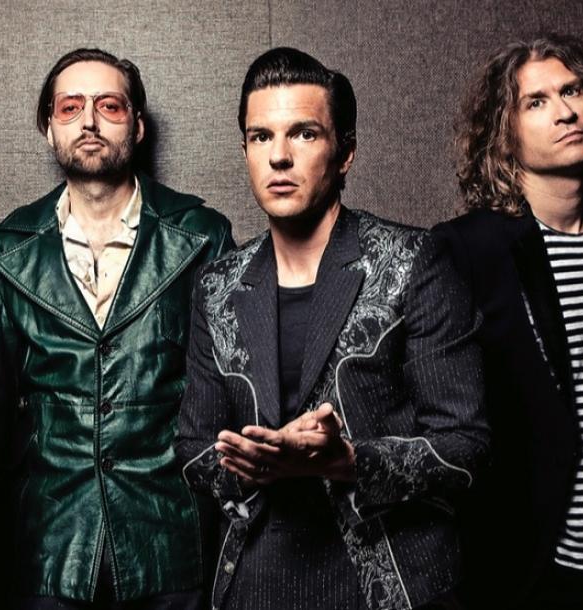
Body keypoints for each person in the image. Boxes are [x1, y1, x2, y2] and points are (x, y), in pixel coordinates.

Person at [176, 47, 488, 610]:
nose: (279, 156)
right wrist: (250, 465)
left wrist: (349, 462)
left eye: (304, 134)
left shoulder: (413, 262)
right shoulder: (217, 285)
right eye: (261, 137)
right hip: (257, 583)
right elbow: (194, 447)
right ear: (245, 151)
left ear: (345, 153)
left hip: (389, 580)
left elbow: (465, 445)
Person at [0, 48, 233, 609]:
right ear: (49, 128)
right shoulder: (4, 251)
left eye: (109, 105)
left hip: (170, 544)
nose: (89, 120)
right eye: (70, 107)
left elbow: (227, 396)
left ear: (137, 126)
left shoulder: (203, 236)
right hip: (47, 550)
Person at [434, 34, 583, 609]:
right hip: (541, 569)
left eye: (573, 91)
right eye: (536, 101)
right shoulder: (468, 250)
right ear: (504, 132)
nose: (564, 111)